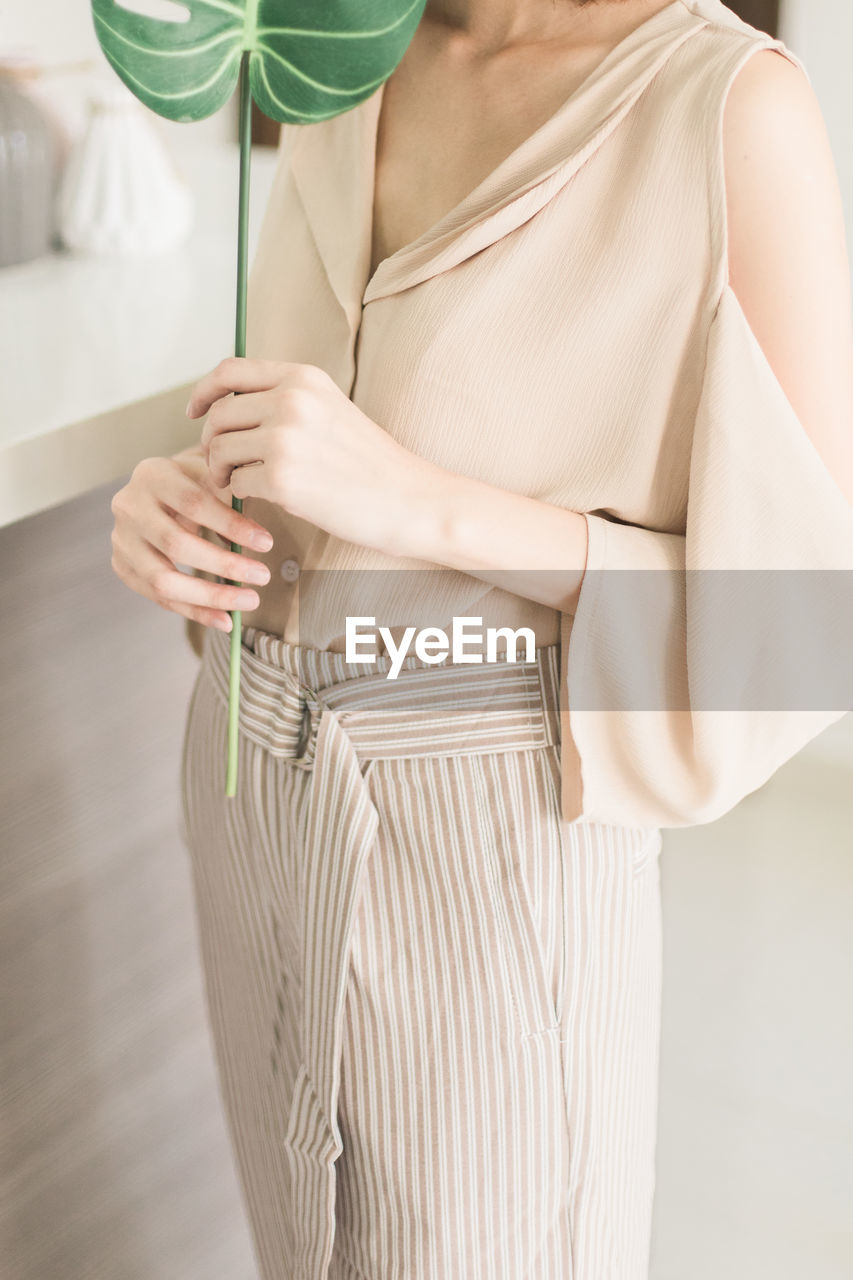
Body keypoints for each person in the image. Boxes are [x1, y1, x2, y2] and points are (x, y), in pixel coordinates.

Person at [109, 1, 853, 1276]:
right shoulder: (341, 56)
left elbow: (802, 630)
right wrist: (187, 507)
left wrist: (412, 500)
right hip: (247, 781)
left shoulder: (730, 112)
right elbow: (308, 456)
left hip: (492, 838)